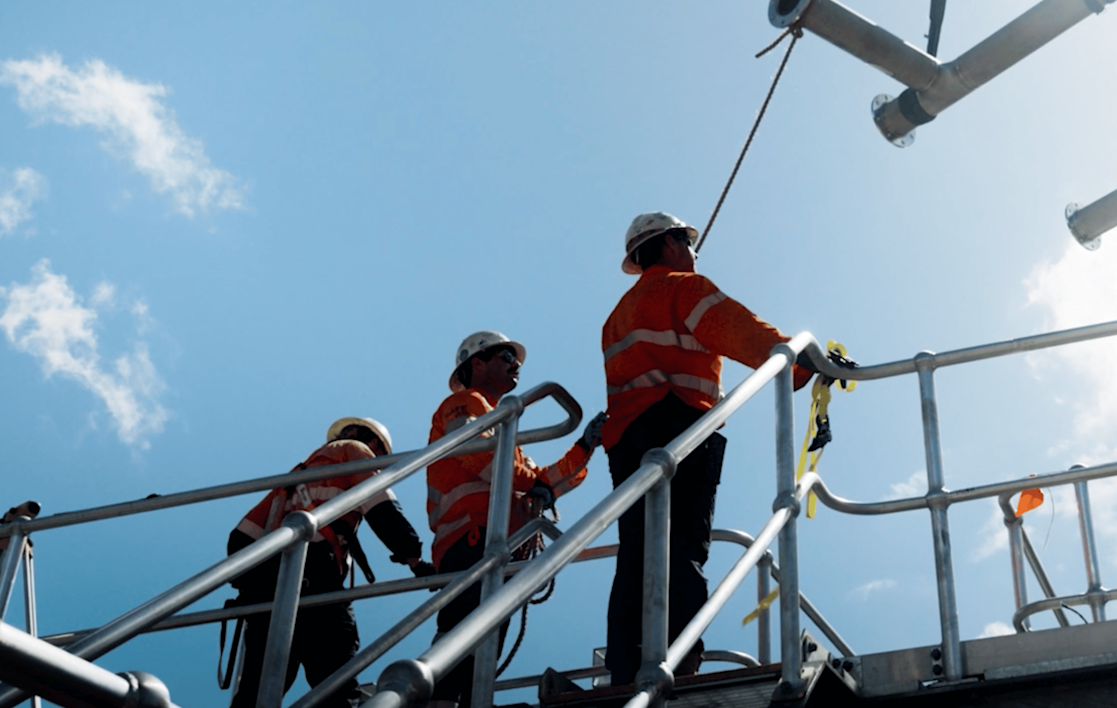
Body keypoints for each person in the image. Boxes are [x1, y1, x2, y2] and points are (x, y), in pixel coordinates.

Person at [599, 212, 811, 686]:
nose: (694, 253)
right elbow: (740, 330)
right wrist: (798, 363)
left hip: (627, 440)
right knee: (682, 547)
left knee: (637, 550)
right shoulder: (684, 288)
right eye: (689, 243)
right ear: (670, 245)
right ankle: (678, 659)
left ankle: (624, 667)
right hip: (679, 428)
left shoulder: (617, 316)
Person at [425, 330, 599, 708]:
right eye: (506, 355)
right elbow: (478, 456)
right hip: (470, 540)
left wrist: (584, 447)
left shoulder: (505, 433)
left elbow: (541, 482)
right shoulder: (464, 404)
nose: (515, 363)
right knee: (460, 639)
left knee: (481, 645)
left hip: (498, 549)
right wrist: (536, 485)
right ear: (477, 363)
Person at [225, 417, 429, 708]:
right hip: (317, 581)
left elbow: (241, 539)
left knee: (258, 692)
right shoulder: (355, 453)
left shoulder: (297, 476)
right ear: (373, 444)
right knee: (335, 683)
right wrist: (414, 557)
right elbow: (380, 505)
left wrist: (254, 587)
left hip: (269, 588)